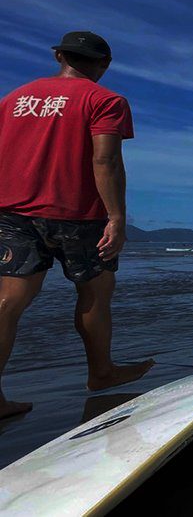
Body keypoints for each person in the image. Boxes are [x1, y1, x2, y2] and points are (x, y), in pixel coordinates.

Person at [0, 31, 155, 418]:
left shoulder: (13, 99)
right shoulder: (105, 100)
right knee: (95, 293)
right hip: (78, 214)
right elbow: (106, 161)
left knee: (8, 302)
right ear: (103, 65)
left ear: (58, 56)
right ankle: (101, 373)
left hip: (12, 212)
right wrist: (117, 217)